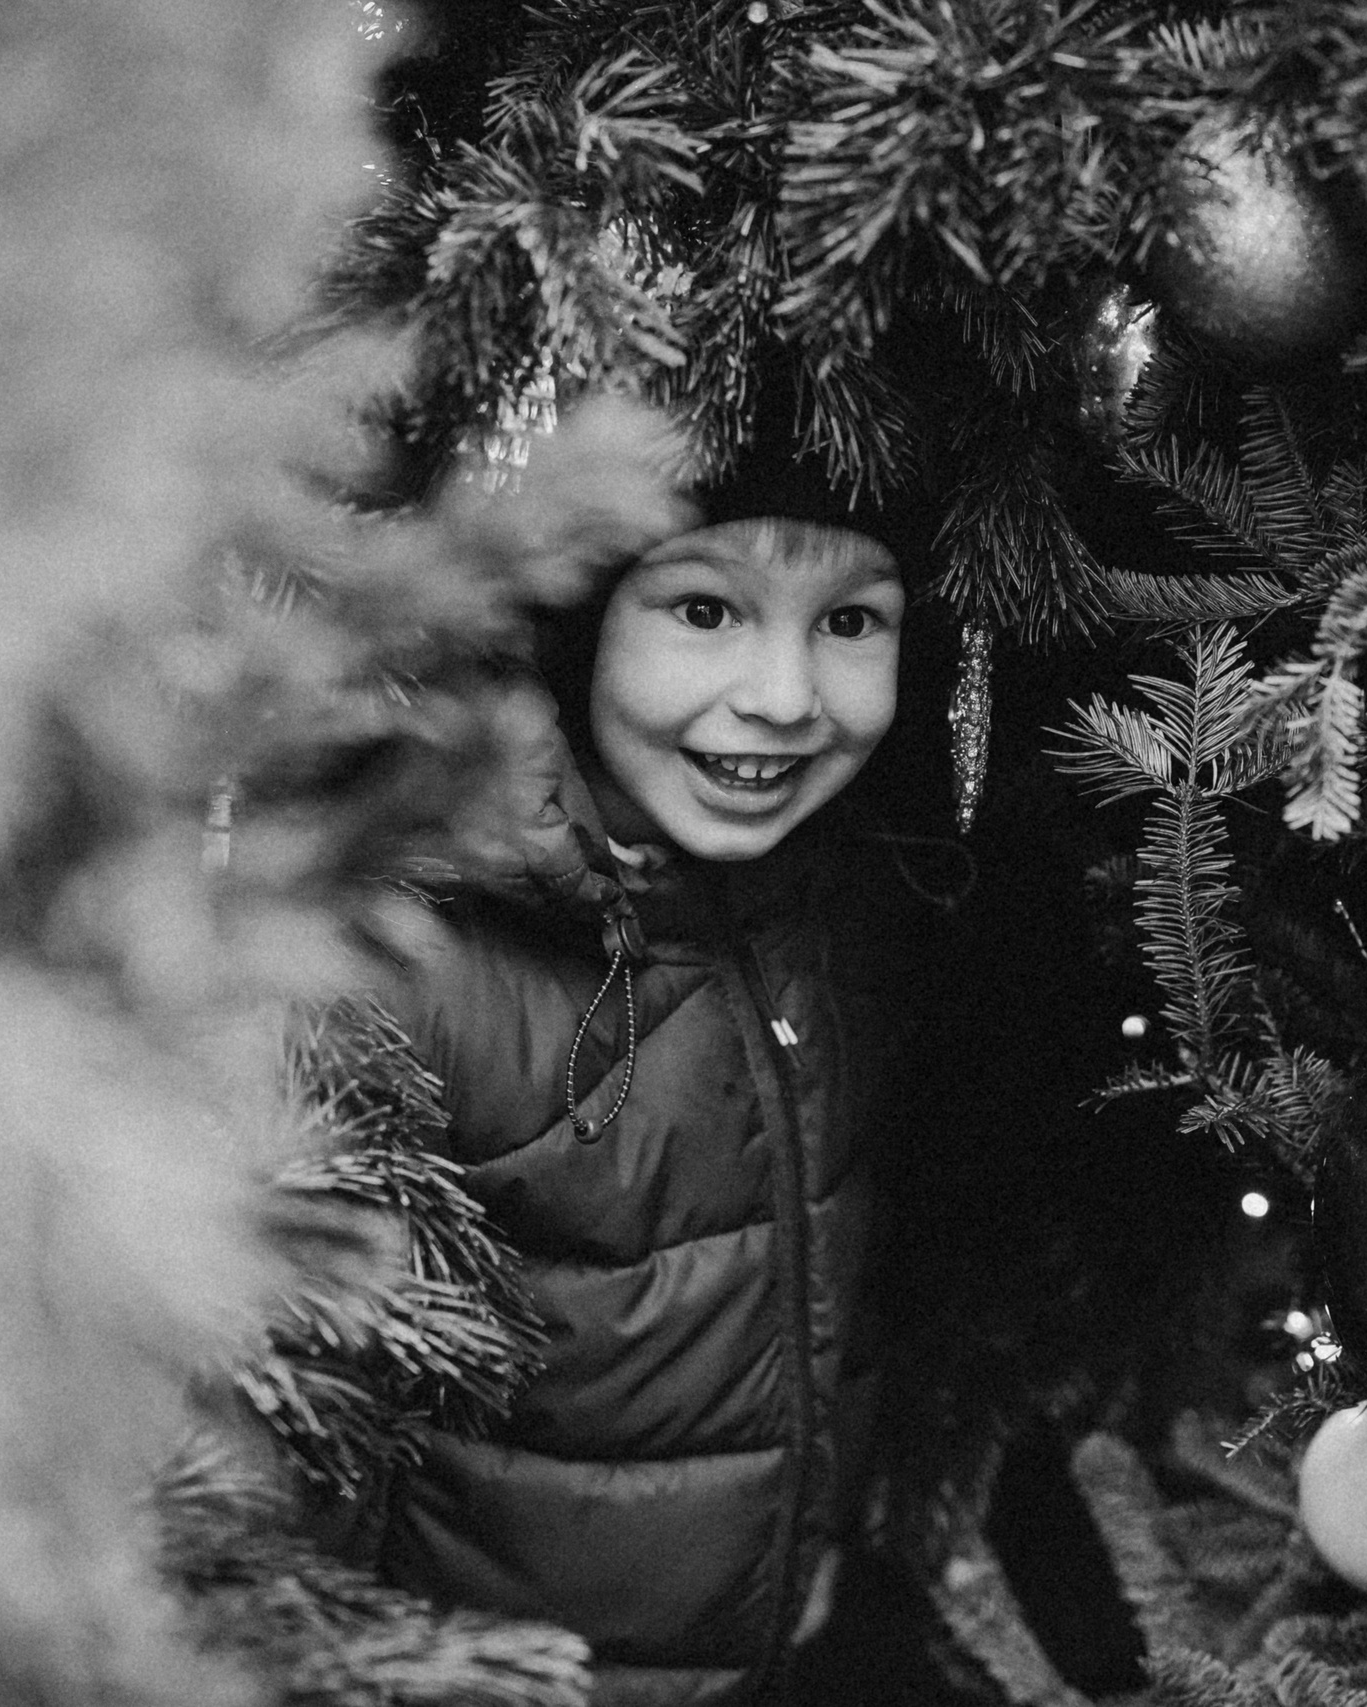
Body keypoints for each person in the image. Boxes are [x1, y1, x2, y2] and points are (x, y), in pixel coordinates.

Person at [347, 504, 920, 1707]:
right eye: (704, 610)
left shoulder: (853, 898)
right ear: (571, 621)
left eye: (850, 621)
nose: (784, 697)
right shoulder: (414, 966)